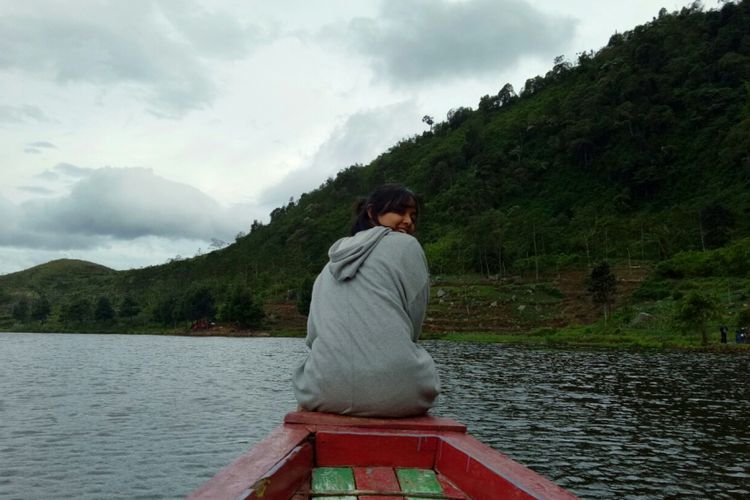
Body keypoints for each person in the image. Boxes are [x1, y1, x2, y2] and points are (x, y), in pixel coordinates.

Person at [292, 184, 440, 417]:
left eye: (413, 216)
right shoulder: (407, 245)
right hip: (400, 397)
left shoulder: (328, 267)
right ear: (372, 213)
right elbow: (413, 323)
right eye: (400, 212)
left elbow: (312, 336)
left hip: (322, 392)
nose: (408, 221)